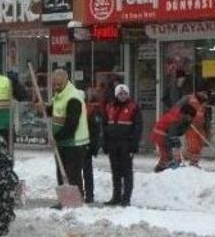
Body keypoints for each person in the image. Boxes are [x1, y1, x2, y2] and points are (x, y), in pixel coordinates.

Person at [36, 69, 90, 207]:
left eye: (58, 84)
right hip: (63, 142)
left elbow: (72, 125)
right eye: (54, 84)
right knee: (61, 173)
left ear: (66, 81)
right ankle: (64, 201)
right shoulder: (61, 95)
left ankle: (76, 202)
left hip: (74, 143)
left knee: (73, 174)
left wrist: (56, 137)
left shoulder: (73, 98)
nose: (55, 87)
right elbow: (56, 111)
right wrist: (45, 109)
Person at [103, 84, 143, 206]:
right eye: (120, 94)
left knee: (126, 172)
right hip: (112, 144)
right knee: (115, 171)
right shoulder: (109, 107)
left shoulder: (134, 107)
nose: (122, 96)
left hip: (126, 144)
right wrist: (104, 143)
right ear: (116, 95)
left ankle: (126, 198)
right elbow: (104, 126)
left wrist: (134, 144)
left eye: (125, 93)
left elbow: (138, 127)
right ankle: (116, 197)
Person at [151, 103, 197, 173]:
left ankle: (164, 169)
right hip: (161, 135)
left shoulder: (181, 118)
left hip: (165, 135)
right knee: (167, 156)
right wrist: (175, 141)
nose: (191, 119)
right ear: (184, 114)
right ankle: (160, 172)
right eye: (190, 117)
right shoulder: (175, 120)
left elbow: (178, 132)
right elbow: (172, 134)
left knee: (168, 155)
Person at [172, 88, 209, 167]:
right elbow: (176, 109)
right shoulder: (187, 98)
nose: (204, 94)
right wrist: (184, 119)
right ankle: (187, 161)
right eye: (202, 92)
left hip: (201, 127)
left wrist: (206, 127)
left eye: (205, 93)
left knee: (199, 145)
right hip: (190, 126)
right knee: (193, 145)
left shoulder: (204, 101)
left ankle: (194, 162)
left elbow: (205, 115)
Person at [82, 93, 104, 204]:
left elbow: (95, 131)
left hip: (85, 144)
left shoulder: (91, 111)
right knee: (84, 171)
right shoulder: (91, 111)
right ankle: (86, 194)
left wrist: (93, 146)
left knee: (85, 171)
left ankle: (88, 195)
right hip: (81, 144)